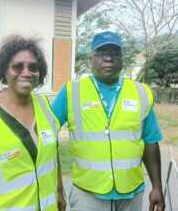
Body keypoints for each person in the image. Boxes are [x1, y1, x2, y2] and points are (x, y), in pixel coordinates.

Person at [51, 31, 165, 211]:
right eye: (101, 53)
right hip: (87, 195)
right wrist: (56, 189)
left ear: (122, 59)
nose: (109, 59)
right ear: (91, 58)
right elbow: (46, 136)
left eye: (114, 53)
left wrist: (157, 186)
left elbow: (151, 142)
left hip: (131, 194)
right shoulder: (71, 92)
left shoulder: (141, 93)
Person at [0, 35, 66, 211]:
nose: (26, 72)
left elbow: (53, 156)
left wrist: (59, 191)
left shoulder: (45, 107)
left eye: (33, 67)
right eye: (18, 66)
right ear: (4, 71)